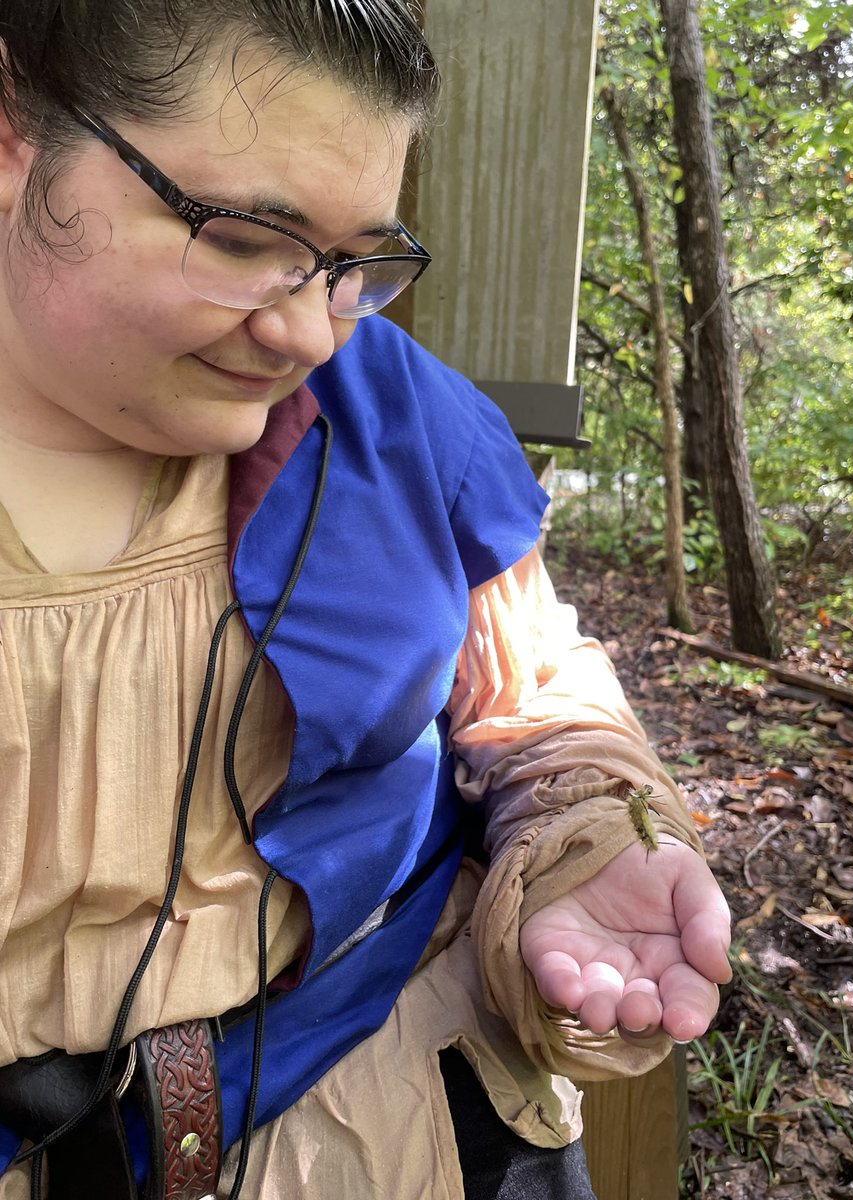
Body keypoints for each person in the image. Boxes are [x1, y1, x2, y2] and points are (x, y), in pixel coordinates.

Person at [0, 2, 732, 1197]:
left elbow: (529, 682)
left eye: (355, 263)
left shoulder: (397, 417)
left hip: (386, 1125)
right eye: (241, 238)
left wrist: (580, 834)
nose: (305, 329)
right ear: (14, 130)